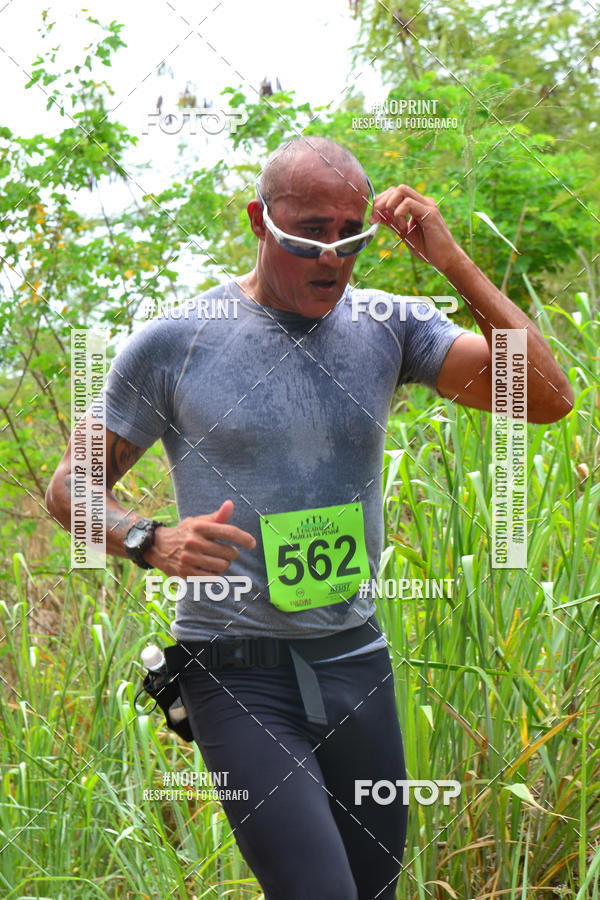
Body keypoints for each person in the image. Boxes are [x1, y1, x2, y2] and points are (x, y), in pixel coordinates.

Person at [45, 136, 573, 899]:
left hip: (354, 661)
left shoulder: (391, 326)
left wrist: (452, 262)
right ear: (260, 221)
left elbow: (547, 398)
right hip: (235, 669)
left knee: (373, 891)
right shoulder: (176, 342)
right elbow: (70, 487)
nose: (332, 258)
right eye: (308, 236)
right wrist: (145, 537)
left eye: (350, 237)